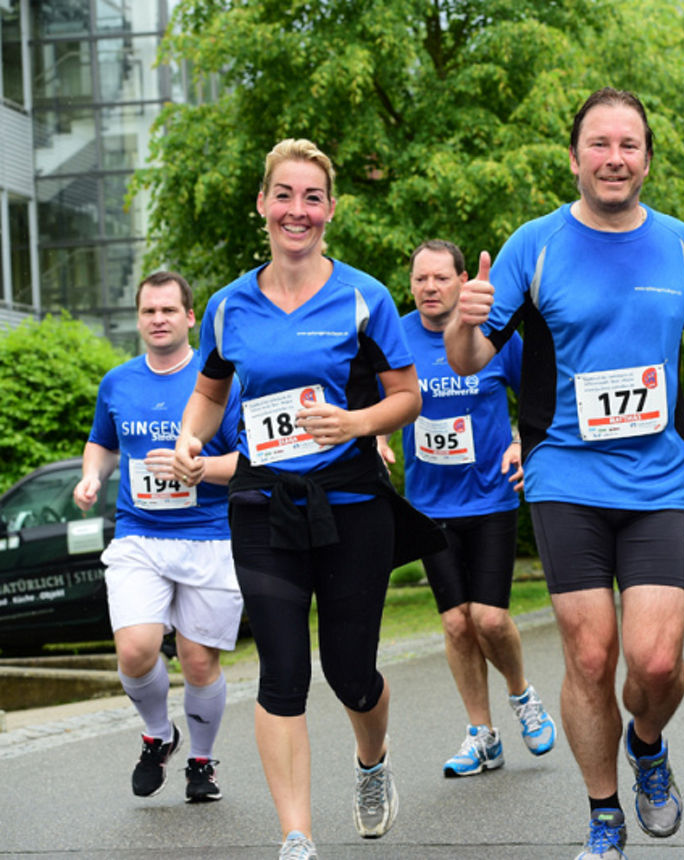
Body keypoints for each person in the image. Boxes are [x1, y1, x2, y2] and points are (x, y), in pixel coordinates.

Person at [443, 87, 684, 860]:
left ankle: (647, 742)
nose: (615, 158)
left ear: (646, 159)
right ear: (574, 158)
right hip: (565, 472)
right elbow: (471, 360)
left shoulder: (679, 243)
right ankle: (604, 815)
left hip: (657, 477)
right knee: (592, 657)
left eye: (629, 145)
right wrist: (465, 320)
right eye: (599, 144)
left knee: (658, 662)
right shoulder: (533, 246)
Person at [173, 139, 439, 860]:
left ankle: (372, 760)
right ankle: (297, 835)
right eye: (284, 195)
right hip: (262, 505)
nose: (297, 210)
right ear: (262, 204)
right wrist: (191, 439)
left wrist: (355, 422)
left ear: (330, 210)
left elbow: (408, 396)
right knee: (282, 670)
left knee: (350, 674)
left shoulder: (363, 297)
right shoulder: (229, 306)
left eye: (312, 197)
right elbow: (208, 393)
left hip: (351, 503)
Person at [73, 271, 242, 805]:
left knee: (197, 660)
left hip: (209, 535)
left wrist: (203, 470)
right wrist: (92, 475)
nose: (158, 320)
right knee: (136, 649)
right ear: (138, 318)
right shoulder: (118, 381)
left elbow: (252, 461)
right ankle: (158, 734)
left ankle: (201, 761)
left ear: (191, 317)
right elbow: (101, 441)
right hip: (139, 534)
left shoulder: (221, 381)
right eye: (149, 312)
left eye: (169, 310)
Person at [389, 238, 558, 777]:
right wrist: (372, 436)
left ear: (463, 281)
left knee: (488, 617)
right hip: (430, 501)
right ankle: (481, 735)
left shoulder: (491, 331)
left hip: (489, 496)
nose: (429, 288)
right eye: (420, 279)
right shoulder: (395, 335)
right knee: (457, 624)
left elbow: (535, 397)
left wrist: (518, 442)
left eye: (440, 278)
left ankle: (521, 695)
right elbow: (374, 398)